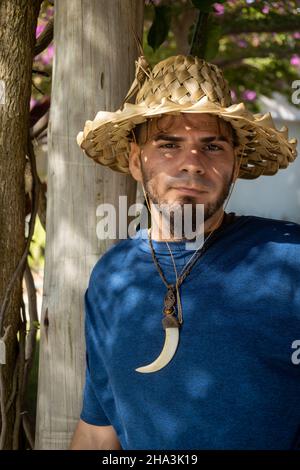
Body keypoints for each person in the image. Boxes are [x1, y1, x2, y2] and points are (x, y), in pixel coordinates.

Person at [71, 55, 300, 450]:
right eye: (169, 145)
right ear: (135, 160)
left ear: (235, 163)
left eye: (212, 146)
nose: (192, 164)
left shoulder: (289, 261)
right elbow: (97, 432)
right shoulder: (112, 275)